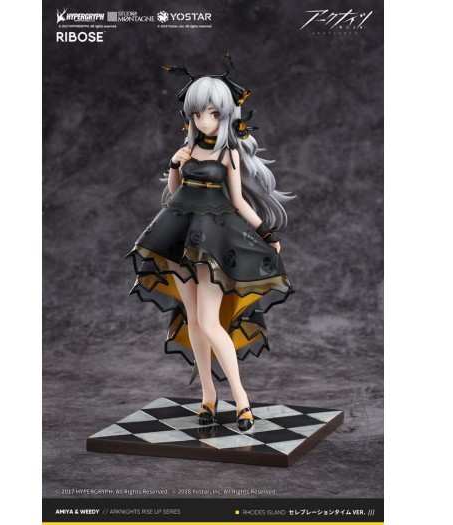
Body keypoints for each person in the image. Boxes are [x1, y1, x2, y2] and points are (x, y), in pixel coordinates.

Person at [126, 52, 295, 432]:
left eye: (214, 113)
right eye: (198, 113)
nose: (205, 119)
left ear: (226, 115)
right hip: (178, 235)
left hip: (215, 239)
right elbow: (174, 194)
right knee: (195, 321)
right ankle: (208, 395)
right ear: (190, 115)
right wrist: (175, 164)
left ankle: (242, 399)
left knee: (208, 320)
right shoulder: (188, 151)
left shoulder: (228, 152)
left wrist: (266, 234)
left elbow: (238, 201)